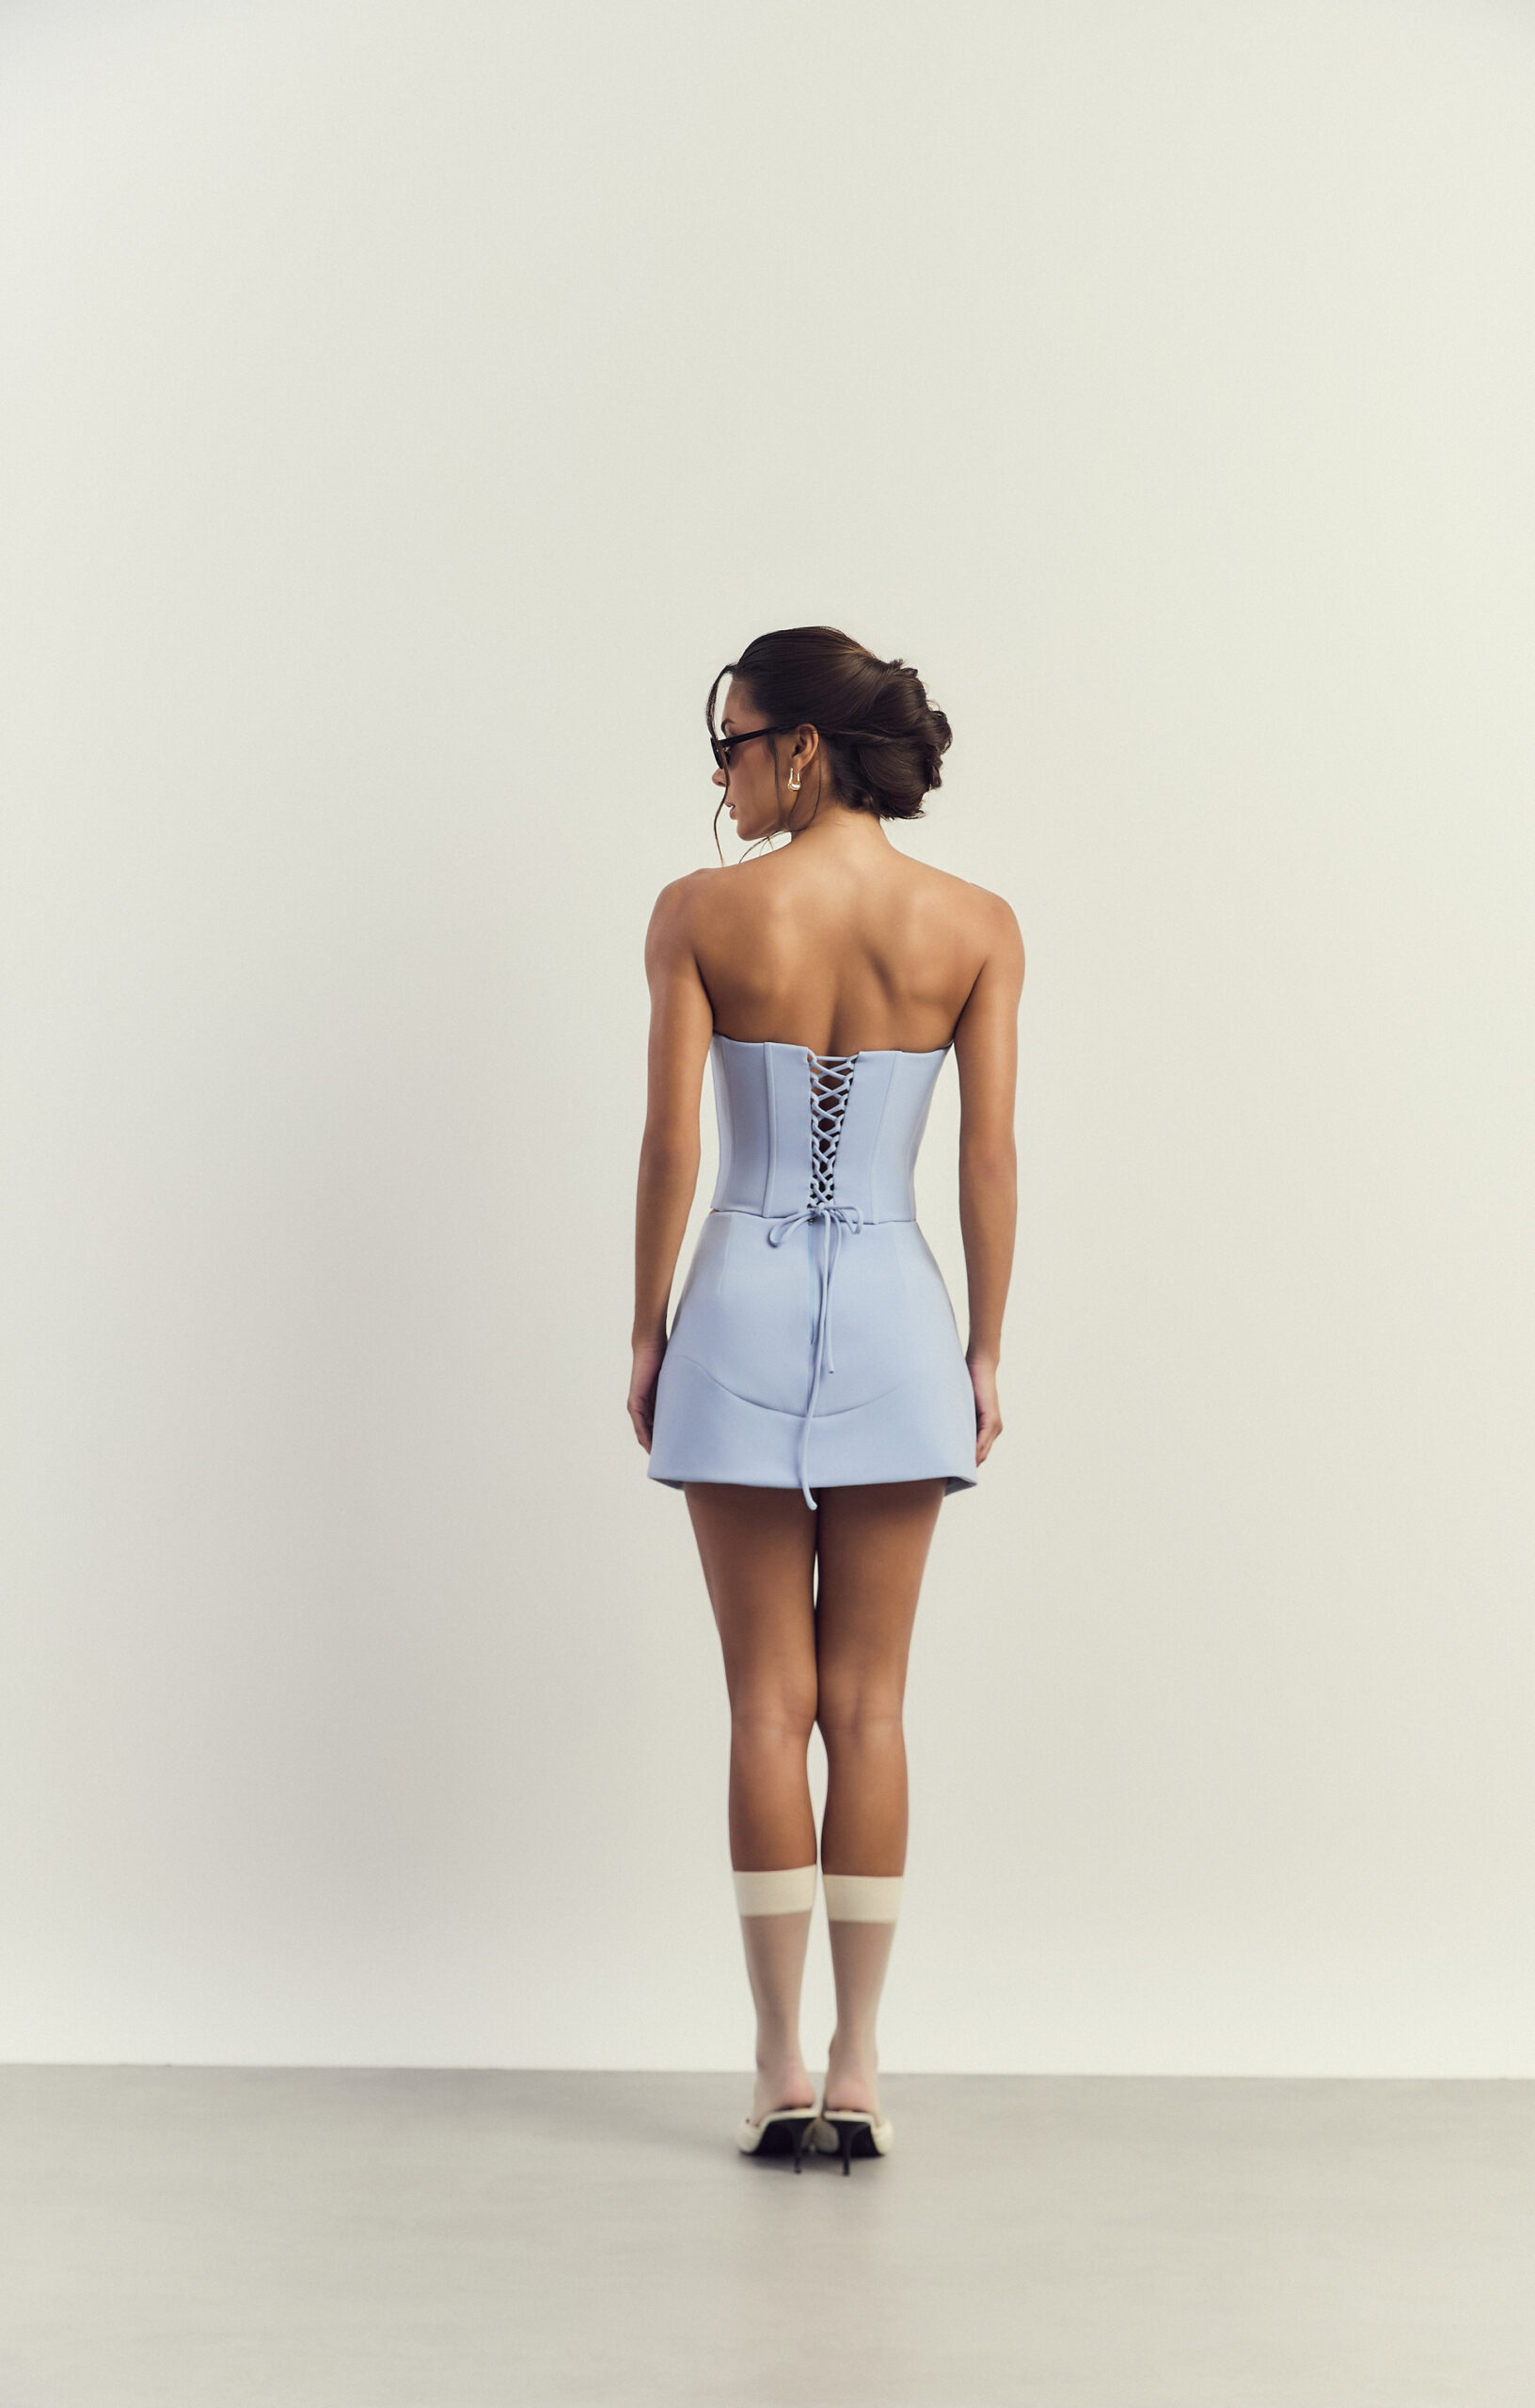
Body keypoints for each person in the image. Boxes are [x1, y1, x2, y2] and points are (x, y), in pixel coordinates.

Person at [627, 626, 1022, 2172]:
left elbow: (674, 1147)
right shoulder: (973, 923)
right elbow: (986, 1155)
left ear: (800, 747)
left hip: (734, 1299)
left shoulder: (701, 913)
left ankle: (775, 2063)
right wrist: (987, 1348)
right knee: (868, 1708)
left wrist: (646, 1330)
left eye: (731, 744)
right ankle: (858, 2065)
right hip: (899, 1316)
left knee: (764, 1707)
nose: (720, 777)